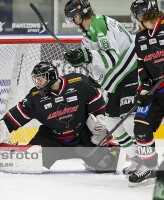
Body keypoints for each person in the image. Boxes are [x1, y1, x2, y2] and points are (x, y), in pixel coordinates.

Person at [0, 61, 120, 173]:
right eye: (36, 79)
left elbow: (99, 108)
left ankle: (92, 159)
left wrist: (101, 127)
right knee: (24, 162)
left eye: (40, 79)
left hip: (82, 136)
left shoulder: (79, 83)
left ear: (52, 76)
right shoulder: (34, 97)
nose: (38, 83)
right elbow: (12, 120)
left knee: (108, 164)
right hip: (52, 140)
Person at [63, 0, 139, 178]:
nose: (72, 23)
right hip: (119, 81)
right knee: (112, 123)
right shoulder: (89, 34)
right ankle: (136, 159)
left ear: (78, 15)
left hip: (132, 73)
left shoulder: (98, 24)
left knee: (128, 122)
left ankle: (146, 161)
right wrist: (86, 65)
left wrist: (86, 55)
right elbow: (97, 62)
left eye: (71, 19)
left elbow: (111, 58)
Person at [128, 0, 164, 186]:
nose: (135, 19)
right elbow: (141, 64)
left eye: (136, 15)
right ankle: (150, 167)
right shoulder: (140, 36)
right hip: (157, 91)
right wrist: (144, 87)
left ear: (142, 15)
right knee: (141, 126)